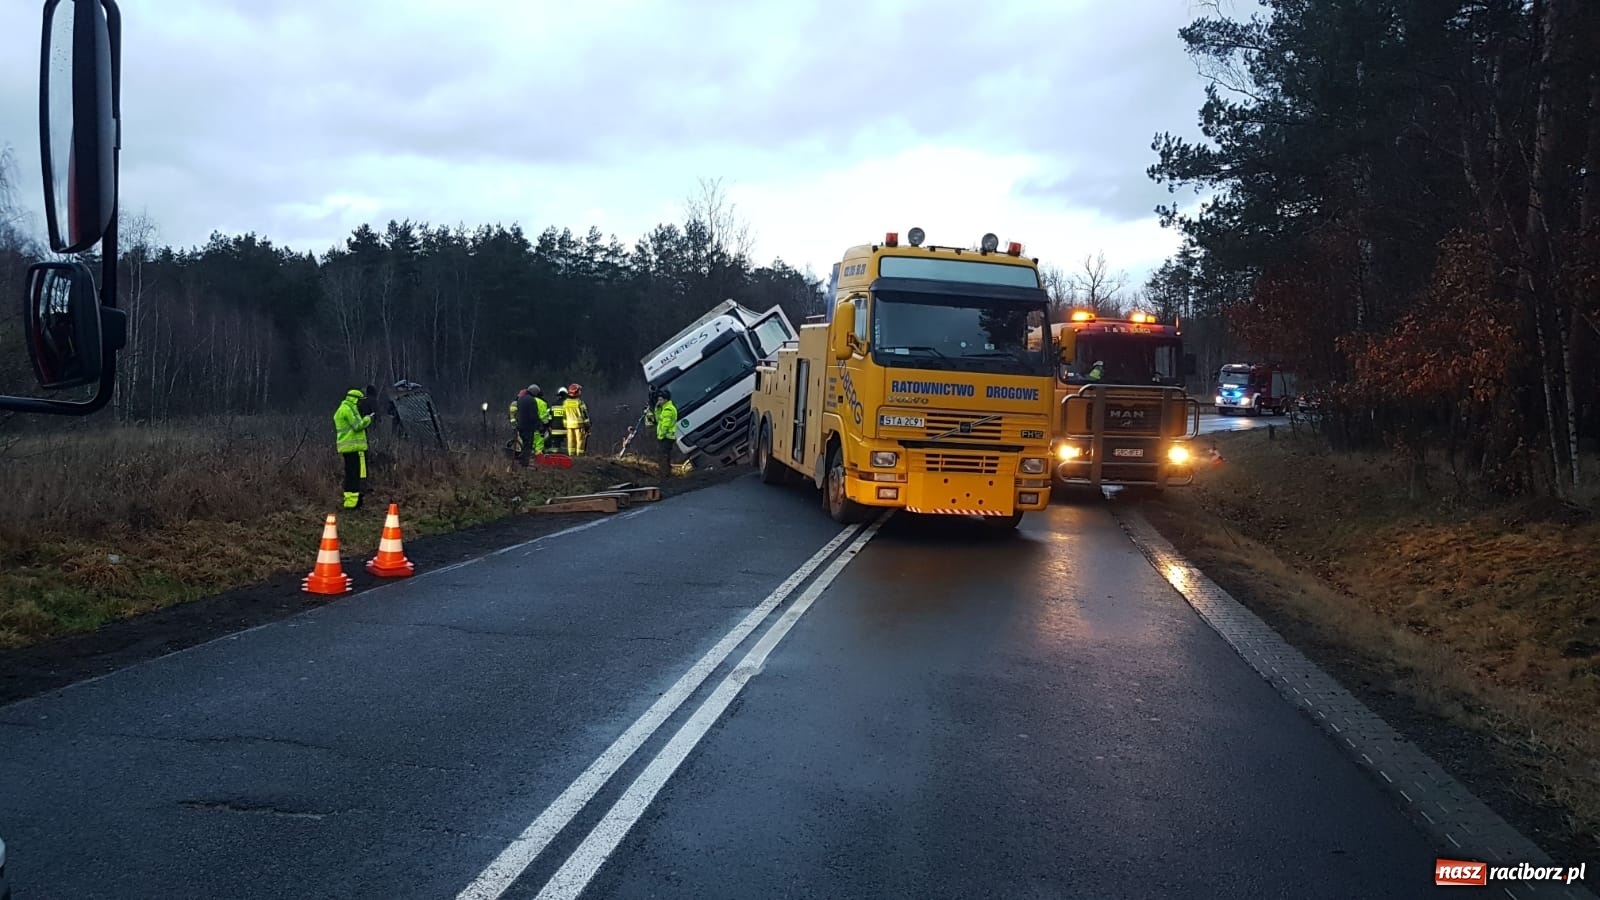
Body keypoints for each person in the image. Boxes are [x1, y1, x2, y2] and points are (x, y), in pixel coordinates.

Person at [334, 386, 375, 509]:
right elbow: (358, 426)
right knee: (356, 475)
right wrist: (368, 418)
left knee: (351, 475)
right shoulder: (350, 409)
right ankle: (354, 502)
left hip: (348, 448)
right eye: (360, 400)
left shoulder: (342, 408)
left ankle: (350, 501)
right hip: (354, 448)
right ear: (355, 399)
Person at [515, 383, 552, 466]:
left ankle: (522, 462)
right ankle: (524, 464)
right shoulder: (532, 400)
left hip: (520, 426)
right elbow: (533, 416)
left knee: (524, 445)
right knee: (528, 445)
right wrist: (540, 426)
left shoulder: (521, 399)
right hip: (528, 427)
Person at [654, 387, 678, 478]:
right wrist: (657, 409)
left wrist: (660, 436)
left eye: (660, 399)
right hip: (667, 437)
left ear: (665, 399)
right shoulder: (665, 408)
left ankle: (665, 474)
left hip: (666, 437)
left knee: (663, 456)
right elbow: (658, 418)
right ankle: (666, 473)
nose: (659, 401)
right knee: (665, 456)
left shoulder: (668, 410)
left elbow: (665, 425)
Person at [564, 383, 590, 456]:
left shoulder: (566, 403)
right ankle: (579, 457)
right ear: (576, 392)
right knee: (580, 441)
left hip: (569, 426)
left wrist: (565, 425)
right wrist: (587, 426)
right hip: (579, 426)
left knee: (571, 441)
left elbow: (564, 415)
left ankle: (571, 456)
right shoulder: (580, 403)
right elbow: (585, 415)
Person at [549, 386, 569, 455]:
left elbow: (549, 417)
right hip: (566, 431)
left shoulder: (553, 404)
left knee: (555, 447)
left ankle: (555, 457)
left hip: (555, 431)